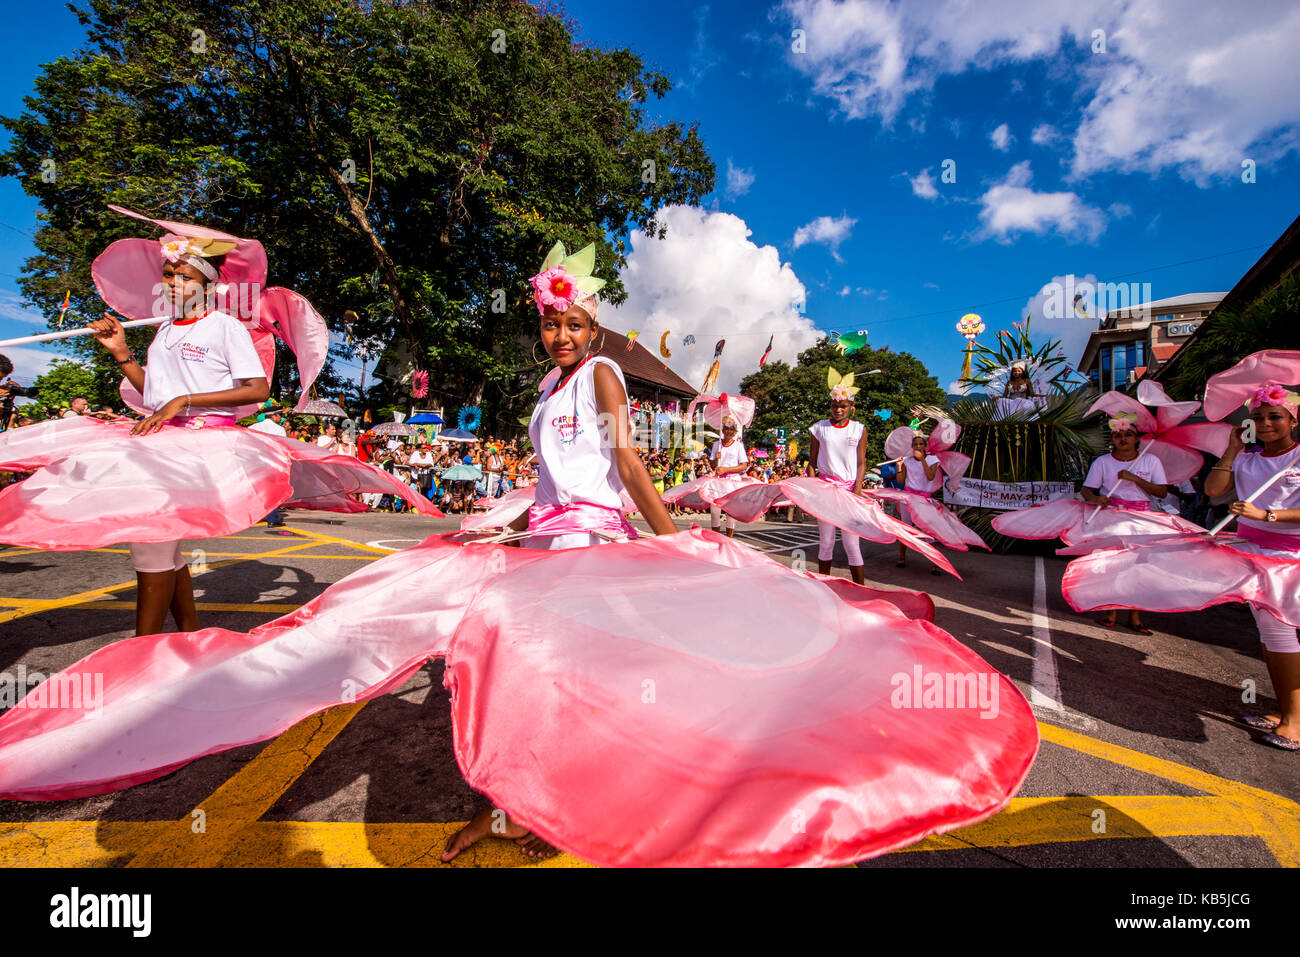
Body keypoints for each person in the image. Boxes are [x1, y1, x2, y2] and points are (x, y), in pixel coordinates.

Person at [442, 241, 678, 861]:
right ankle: (513, 807)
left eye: (575, 324)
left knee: (562, 679)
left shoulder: (604, 374)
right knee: (524, 674)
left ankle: (552, 810)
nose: (562, 334)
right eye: (552, 323)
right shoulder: (550, 386)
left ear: (594, 329)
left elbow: (625, 460)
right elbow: (551, 483)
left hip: (589, 545)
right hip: (547, 541)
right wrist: (500, 526)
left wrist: (678, 545)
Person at [1204, 384, 1300, 750]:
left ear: (1293, 419)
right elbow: (1214, 490)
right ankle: (1286, 710)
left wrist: (1267, 515)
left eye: (1275, 416)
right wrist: (1231, 450)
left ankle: (1294, 722)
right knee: (1271, 634)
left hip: (1291, 558)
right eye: (1257, 417)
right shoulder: (1246, 458)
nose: (1265, 423)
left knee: (1279, 633)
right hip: (1252, 553)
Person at [1078, 413, 1168, 634]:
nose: (1123, 439)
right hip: (1111, 517)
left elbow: (1162, 491)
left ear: (1137, 438)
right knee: (1113, 565)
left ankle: (1135, 616)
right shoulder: (1102, 462)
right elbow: (1087, 489)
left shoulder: (1150, 460)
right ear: (1113, 439)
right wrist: (1096, 498)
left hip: (1142, 518)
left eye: (1128, 434)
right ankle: (1110, 612)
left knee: (1138, 567)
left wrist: (1135, 479)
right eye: (1118, 435)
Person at [807, 375, 869, 585]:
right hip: (826, 490)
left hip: (850, 492)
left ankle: (860, 590)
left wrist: (858, 488)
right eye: (834, 406)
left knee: (852, 544)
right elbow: (811, 462)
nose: (838, 410)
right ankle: (823, 586)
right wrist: (815, 488)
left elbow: (861, 463)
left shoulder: (859, 429)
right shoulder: (819, 429)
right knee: (826, 543)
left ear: (851, 406)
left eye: (842, 406)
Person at [896, 434, 944, 575]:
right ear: (912, 446)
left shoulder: (932, 459)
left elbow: (930, 476)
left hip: (924, 500)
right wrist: (899, 466)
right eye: (915, 444)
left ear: (925, 446)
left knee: (929, 531)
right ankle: (902, 558)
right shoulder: (907, 461)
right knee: (905, 528)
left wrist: (922, 459)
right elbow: (900, 480)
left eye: (920, 444)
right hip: (908, 499)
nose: (918, 446)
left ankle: (935, 563)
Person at [248, 407, 289, 529]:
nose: (280, 418)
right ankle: (273, 519)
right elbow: (282, 447)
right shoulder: (279, 429)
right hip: (271, 463)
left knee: (255, 491)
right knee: (273, 492)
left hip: (254, 463)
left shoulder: (253, 427)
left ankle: (251, 517)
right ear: (273, 416)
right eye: (279, 415)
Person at [709, 417, 748, 537]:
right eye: (726, 429)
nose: (729, 432)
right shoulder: (716, 445)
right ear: (723, 430)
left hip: (732, 481)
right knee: (715, 510)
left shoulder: (738, 446)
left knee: (731, 512)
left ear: (735, 432)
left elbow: (744, 466)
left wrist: (726, 469)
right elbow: (712, 464)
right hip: (718, 480)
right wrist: (716, 458)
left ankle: (729, 539)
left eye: (731, 429)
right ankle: (716, 538)